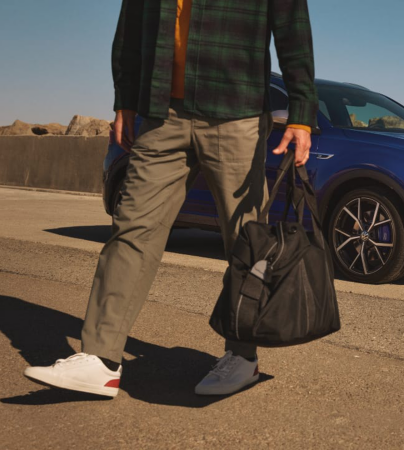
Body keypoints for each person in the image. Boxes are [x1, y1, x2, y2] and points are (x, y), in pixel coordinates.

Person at [23, 0, 317, 397]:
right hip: (163, 114)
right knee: (132, 228)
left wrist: (301, 114)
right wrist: (125, 100)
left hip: (237, 113)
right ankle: (101, 360)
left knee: (246, 241)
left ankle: (243, 357)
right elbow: (129, 31)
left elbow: (292, 30)